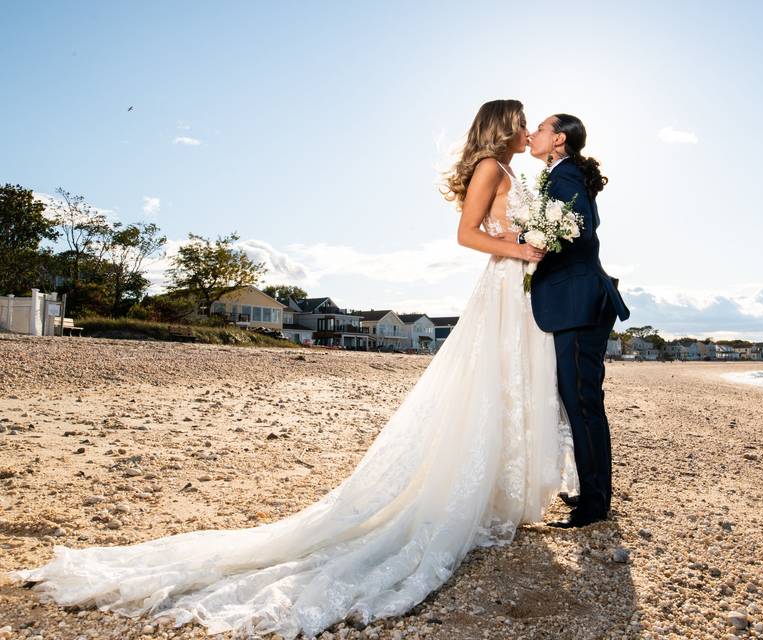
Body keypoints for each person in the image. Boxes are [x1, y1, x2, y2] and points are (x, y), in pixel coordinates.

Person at [7, 99, 578, 640]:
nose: (528, 125)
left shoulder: (507, 166)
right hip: (505, 283)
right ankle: (471, 493)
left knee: (511, 384)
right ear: (502, 123)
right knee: (486, 385)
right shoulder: (488, 166)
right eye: (522, 117)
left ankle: (502, 488)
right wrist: (523, 250)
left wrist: (533, 241)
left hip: (517, 290)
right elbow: (466, 234)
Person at [524, 114, 630, 528]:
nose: (532, 133)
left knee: (582, 403)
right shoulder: (562, 174)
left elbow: (579, 231)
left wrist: (529, 241)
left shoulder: (563, 178)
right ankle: (594, 493)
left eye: (540, 129)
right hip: (576, 302)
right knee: (581, 402)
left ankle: (595, 504)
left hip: (579, 303)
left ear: (559, 139)